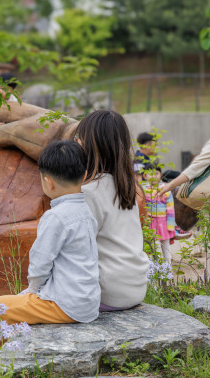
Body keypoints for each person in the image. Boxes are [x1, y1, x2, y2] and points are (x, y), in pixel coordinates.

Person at [0, 140, 99, 327]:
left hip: (64, 305)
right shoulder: (86, 211)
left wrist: (33, 290)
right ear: (84, 176)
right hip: (88, 303)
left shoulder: (55, 217)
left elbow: (40, 264)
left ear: (48, 182)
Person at [75, 110, 149, 312]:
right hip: (134, 289)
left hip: (107, 294)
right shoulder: (127, 187)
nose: (76, 143)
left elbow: (77, 250)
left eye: (78, 138)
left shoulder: (88, 192)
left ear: (90, 145)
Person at [141, 163, 175, 263]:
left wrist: (170, 225)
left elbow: (170, 209)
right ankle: (156, 269)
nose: (153, 176)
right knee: (154, 246)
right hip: (150, 222)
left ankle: (167, 268)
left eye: (156, 173)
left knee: (166, 246)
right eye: (150, 174)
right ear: (145, 176)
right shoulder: (143, 190)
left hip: (164, 222)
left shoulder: (165, 189)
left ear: (160, 175)